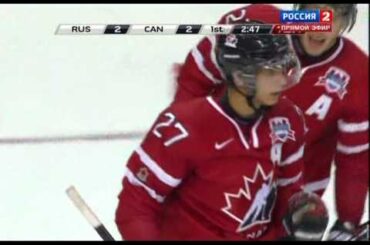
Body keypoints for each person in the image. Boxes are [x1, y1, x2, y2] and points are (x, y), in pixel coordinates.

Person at [115, 8, 330, 240]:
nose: (282, 80)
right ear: (240, 76)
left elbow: (289, 189)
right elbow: (135, 207)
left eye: (284, 69)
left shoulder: (288, 119)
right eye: (270, 72)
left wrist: (299, 217)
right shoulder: (183, 126)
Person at [172, 3, 369, 240]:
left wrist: (347, 223)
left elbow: (354, 159)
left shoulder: (358, 72)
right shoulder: (254, 23)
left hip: (291, 197)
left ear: (347, 22)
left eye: (334, 17)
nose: (321, 27)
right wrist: (180, 150)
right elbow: (195, 77)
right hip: (218, 176)